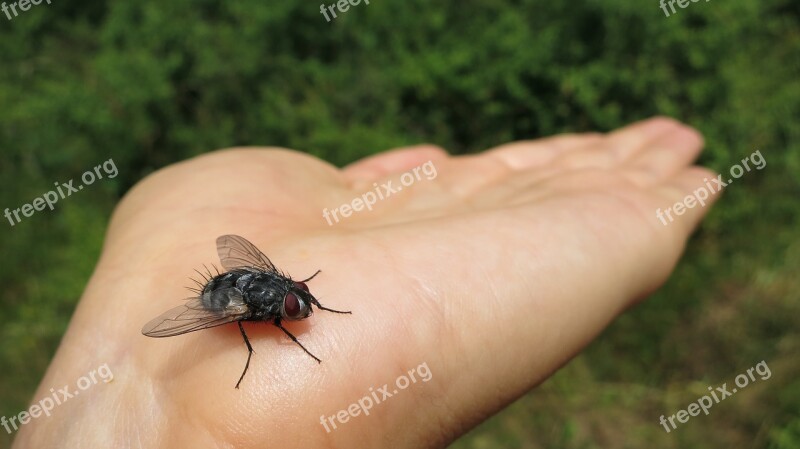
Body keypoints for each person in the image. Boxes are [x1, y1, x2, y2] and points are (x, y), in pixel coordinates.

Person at [13, 117, 718, 448]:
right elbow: (234, 304)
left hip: (241, 275)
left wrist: (307, 292)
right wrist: (168, 417)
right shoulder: (250, 313)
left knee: (259, 289)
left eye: (300, 300)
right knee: (232, 320)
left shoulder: (287, 290)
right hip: (223, 292)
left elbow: (269, 272)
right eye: (297, 306)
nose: (300, 307)